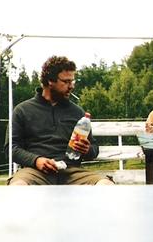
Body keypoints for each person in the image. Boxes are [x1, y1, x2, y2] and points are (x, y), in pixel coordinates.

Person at [7, 56, 114, 185]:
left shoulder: (77, 112)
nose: (71, 86)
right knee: (18, 186)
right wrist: (36, 160)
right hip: (35, 172)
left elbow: (94, 149)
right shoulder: (22, 110)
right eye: (66, 82)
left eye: (72, 81)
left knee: (106, 185)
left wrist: (87, 149)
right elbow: (12, 148)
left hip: (72, 172)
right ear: (50, 81)